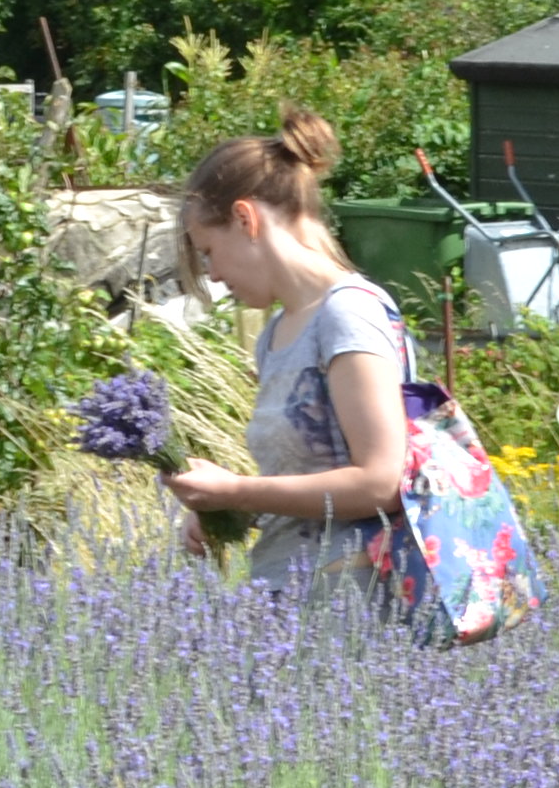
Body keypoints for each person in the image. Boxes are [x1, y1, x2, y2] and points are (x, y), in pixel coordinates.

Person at [159, 111, 407, 592]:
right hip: (288, 595)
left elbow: (381, 482)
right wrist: (232, 510)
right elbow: (312, 480)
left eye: (208, 250)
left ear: (245, 218)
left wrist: (237, 489)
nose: (211, 273)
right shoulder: (278, 332)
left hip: (352, 611)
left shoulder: (347, 315)